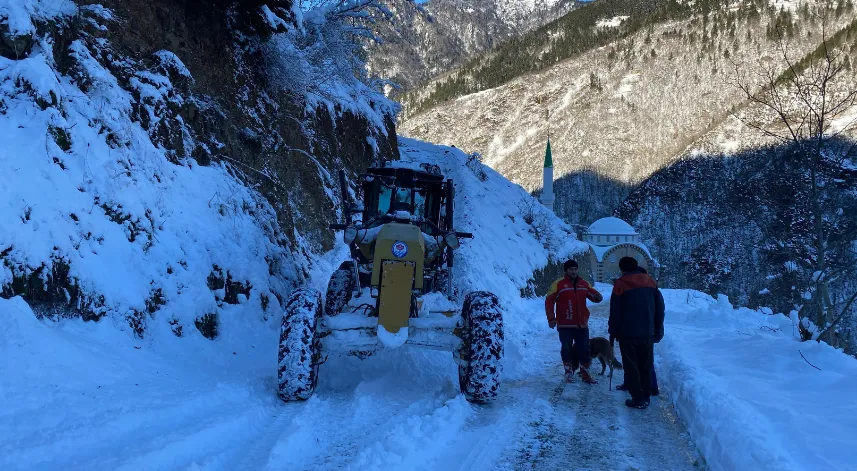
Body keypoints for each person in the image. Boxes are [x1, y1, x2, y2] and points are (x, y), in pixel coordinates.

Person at [608, 256, 664, 409]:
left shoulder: (620, 284)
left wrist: (613, 330)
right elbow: (659, 308)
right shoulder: (650, 282)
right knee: (645, 364)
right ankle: (646, 395)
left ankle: (638, 398)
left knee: (631, 365)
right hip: (647, 332)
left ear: (622, 269)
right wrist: (658, 328)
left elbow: (615, 311)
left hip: (628, 333)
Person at [545, 259, 604, 384]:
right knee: (567, 348)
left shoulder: (584, 283)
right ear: (566, 270)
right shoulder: (558, 284)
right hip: (565, 324)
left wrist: (597, 297)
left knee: (585, 348)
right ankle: (568, 372)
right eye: (571, 269)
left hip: (582, 324)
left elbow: (593, 295)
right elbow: (549, 301)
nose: (574, 272)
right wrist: (551, 318)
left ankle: (585, 373)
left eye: (575, 269)